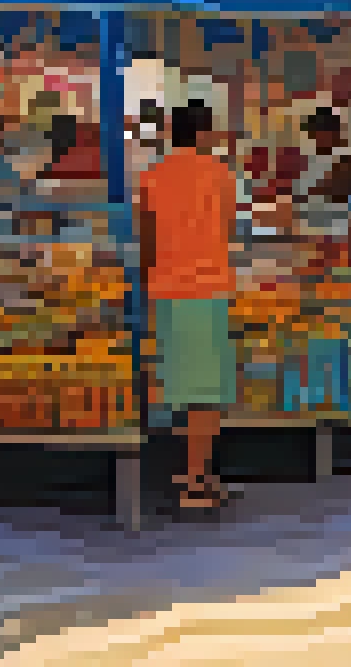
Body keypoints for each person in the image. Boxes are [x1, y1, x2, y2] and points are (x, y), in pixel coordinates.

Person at [138, 101, 240, 514]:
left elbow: (146, 239)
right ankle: (195, 481)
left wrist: (146, 287)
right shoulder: (220, 175)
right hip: (206, 289)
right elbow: (229, 230)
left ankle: (193, 472)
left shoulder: (152, 176)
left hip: (165, 290)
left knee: (180, 388)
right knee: (206, 395)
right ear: (202, 133)